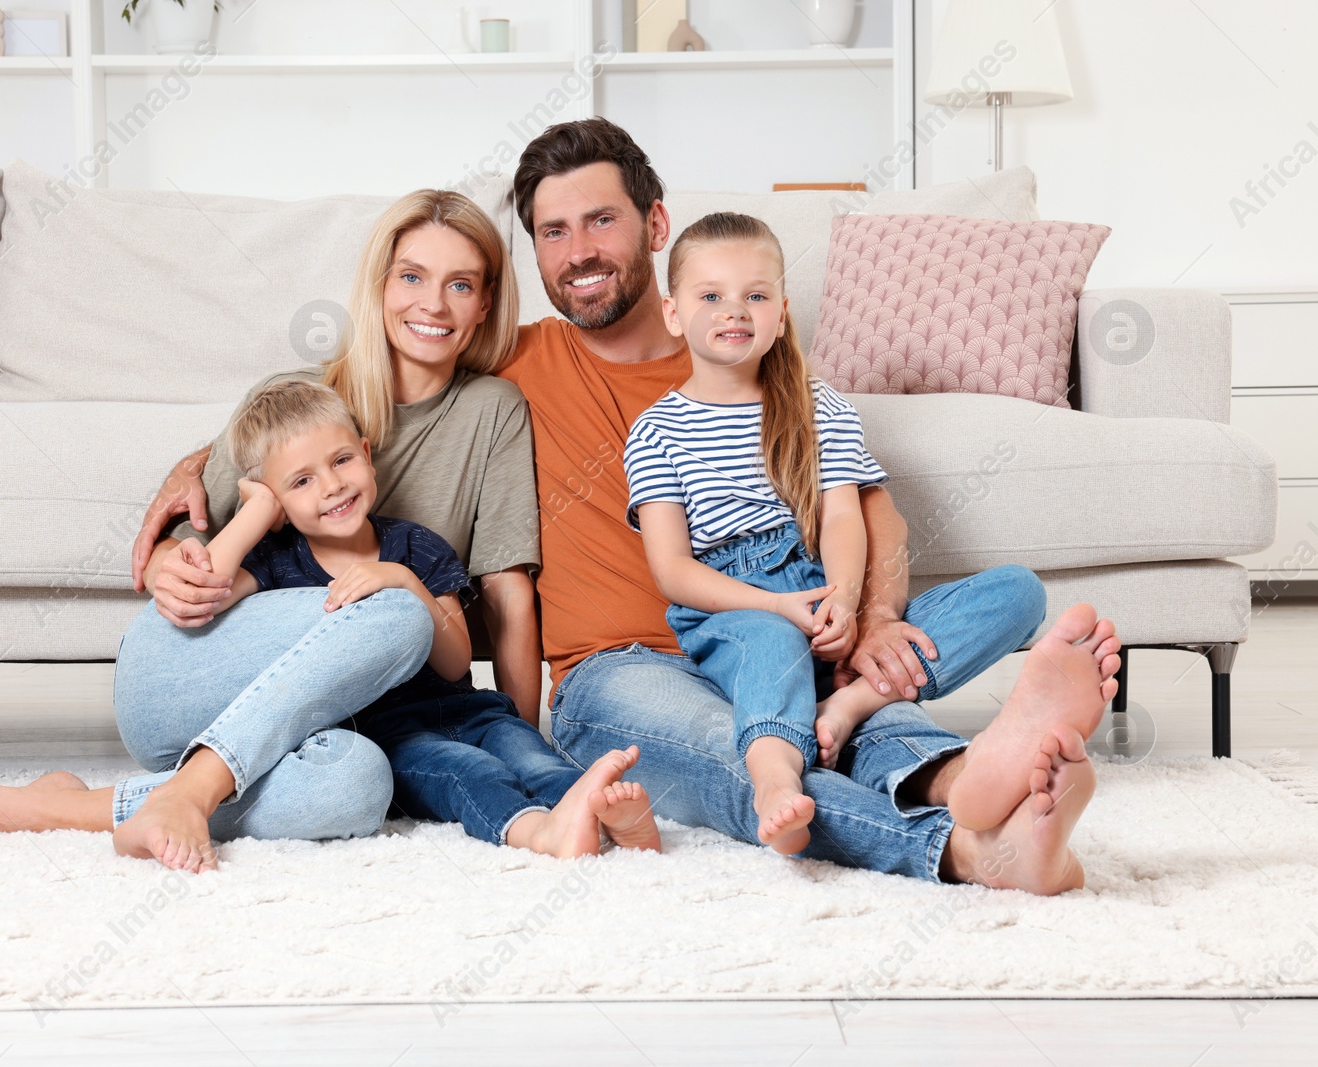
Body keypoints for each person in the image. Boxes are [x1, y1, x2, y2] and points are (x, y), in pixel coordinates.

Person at [493, 118, 1119, 894]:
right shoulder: (514, 363)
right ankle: (965, 849)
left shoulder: (768, 372)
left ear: (655, 224)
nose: (578, 250)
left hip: (801, 632)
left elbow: (867, 510)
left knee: (862, 722)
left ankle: (977, 782)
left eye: (601, 220)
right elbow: (379, 371)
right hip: (622, 667)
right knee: (748, 749)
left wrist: (876, 619)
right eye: (553, 232)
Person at [0, 189, 545, 867]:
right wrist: (177, 560)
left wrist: (518, 747)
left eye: (460, 284)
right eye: (411, 276)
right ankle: (193, 790)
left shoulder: (493, 411)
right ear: (379, 285)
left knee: (357, 785)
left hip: (325, 723)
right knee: (404, 610)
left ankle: (65, 806)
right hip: (183, 677)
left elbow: (506, 594)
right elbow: (200, 537)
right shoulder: (297, 398)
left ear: (486, 301)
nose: (433, 305)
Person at [201, 378, 660, 860]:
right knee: (469, 773)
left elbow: (455, 661)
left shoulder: (415, 547)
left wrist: (404, 582)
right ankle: (536, 832)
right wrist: (257, 513)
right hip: (388, 738)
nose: (333, 485)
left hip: (469, 711)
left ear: (365, 453)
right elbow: (206, 592)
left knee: (532, 757)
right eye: (301, 481)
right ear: (276, 500)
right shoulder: (277, 562)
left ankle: (605, 816)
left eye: (341, 461)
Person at [624, 211, 900, 855]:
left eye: (755, 295)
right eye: (711, 295)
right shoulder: (657, 431)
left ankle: (849, 702)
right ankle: (774, 778)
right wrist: (777, 606)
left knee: (1011, 595)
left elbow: (840, 515)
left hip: (818, 583)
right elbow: (673, 571)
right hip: (732, 603)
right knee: (774, 639)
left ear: (780, 310)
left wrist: (842, 599)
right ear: (673, 314)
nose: (735, 311)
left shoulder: (819, 405)